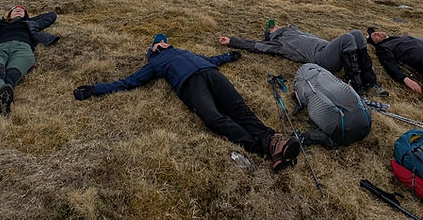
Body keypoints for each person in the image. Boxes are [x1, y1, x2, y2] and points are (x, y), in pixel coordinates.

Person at [74, 34, 301, 171]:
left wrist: (229, 56)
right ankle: (264, 148)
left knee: (238, 108)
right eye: (158, 43)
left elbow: (210, 59)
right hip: (190, 85)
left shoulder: (183, 51)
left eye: (164, 41)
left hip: (211, 73)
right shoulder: (155, 63)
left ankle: (274, 142)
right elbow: (129, 82)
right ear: (153, 48)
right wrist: (95, 89)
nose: (162, 43)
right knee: (213, 118)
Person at [218, 22, 388, 98]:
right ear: (271, 34)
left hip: (329, 50)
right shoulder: (279, 43)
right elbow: (256, 45)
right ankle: (356, 86)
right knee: (346, 38)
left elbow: (302, 35)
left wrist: (293, 27)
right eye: (273, 27)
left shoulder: (292, 32)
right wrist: (232, 41)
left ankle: (369, 80)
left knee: (357, 33)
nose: (275, 25)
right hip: (321, 60)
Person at [0, 4, 58, 120]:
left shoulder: (31, 24)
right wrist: (3, 20)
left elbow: (51, 15)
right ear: (9, 14)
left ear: (26, 15)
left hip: (22, 48)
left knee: (12, 72)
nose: (18, 11)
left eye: (22, 11)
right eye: (15, 10)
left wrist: (28, 19)